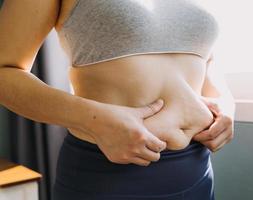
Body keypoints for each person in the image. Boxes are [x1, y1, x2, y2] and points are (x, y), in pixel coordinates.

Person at [0, 0, 235, 199]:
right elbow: (4, 71)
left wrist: (226, 103)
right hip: (108, 177)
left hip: (197, 170)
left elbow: (207, 58)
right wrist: (93, 119)